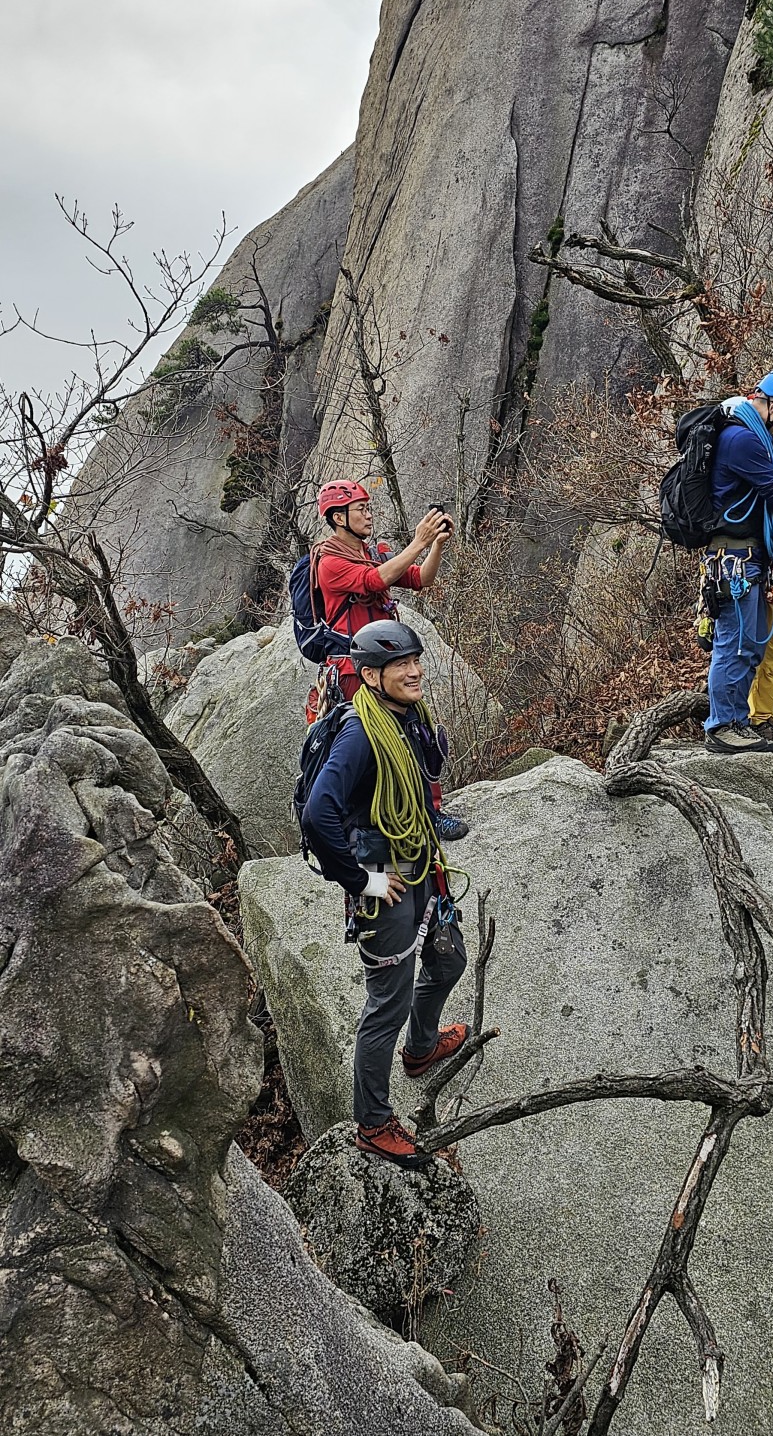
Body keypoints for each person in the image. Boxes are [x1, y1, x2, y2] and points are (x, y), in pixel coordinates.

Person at [301, 619, 468, 1167]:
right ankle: (372, 1123)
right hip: (384, 880)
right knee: (386, 1004)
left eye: (416, 660)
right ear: (370, 675)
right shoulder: (359, 732)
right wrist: (363, 880)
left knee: (448, 960)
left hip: (419, 862)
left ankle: (420, 1050)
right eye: (400, 664)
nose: (414, 671)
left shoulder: (407, 718)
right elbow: (317, 814)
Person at [312, 479, 468, 841]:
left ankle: (431, 812)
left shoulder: (372, 551)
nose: (368, 515)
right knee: (368, 742)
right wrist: (418, 542)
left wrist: (436, 546)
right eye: (360, 509)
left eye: (368, 507)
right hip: (356, 670)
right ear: (338, 517)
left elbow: (420, 578)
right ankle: (367, 821)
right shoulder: (330, 562)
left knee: (416, 730)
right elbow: (375, 580)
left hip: (388, 661)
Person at [703, 370, 773, 754]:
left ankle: (737, 722)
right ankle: (723, 726)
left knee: (748, 644)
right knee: (735, 643)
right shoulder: (743, 439)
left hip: (742, 555)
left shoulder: (742, 434)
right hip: (736, 557)